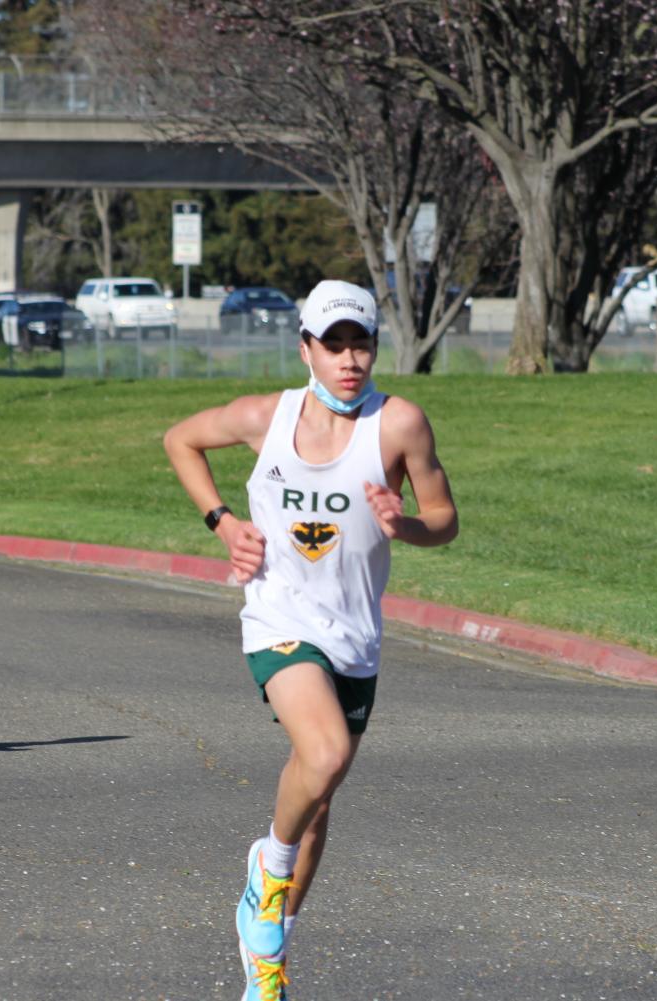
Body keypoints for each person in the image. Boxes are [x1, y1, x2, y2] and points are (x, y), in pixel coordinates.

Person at [164, 280, 458, 1000]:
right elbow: (180, 440)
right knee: (322, 754)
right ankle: (267, 868)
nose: (349, 359)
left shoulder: (398, 424)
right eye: (334, 345)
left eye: (360, 343)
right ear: (306, 349)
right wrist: (224, 523)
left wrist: (405, 523)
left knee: (319, 793)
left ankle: (267, 960)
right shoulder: (265, 417)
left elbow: (445, 517)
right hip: (279, 620)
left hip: (355, 633)